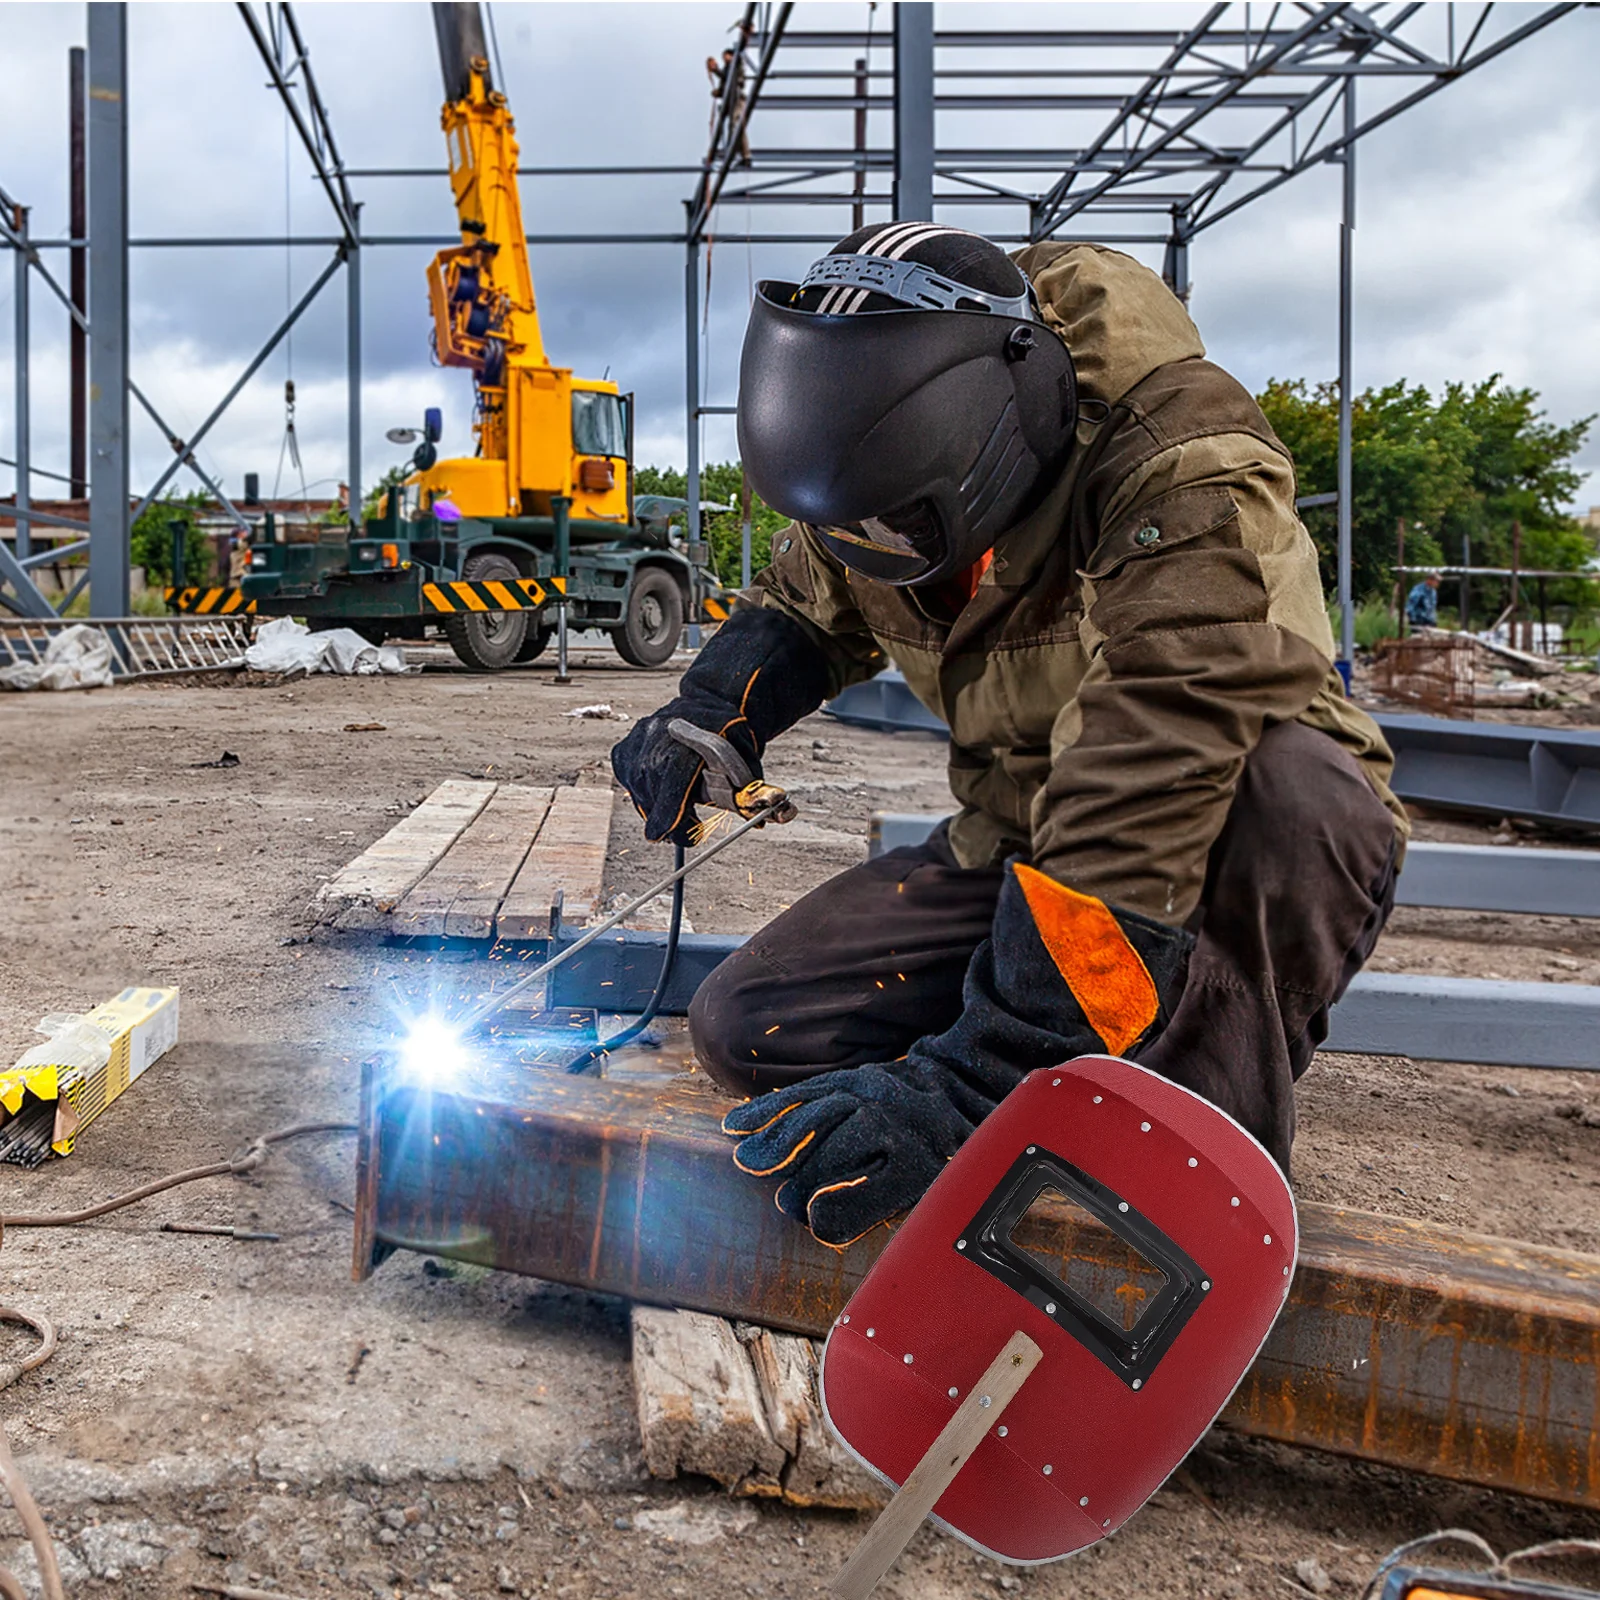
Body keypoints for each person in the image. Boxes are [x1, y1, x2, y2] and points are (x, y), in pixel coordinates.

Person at [612, 224, 1409, 1248]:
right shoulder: (885, 451)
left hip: (1221, 832)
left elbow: (1162, 740)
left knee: (1286, 797)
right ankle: (1043, 1066)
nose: (885, 549)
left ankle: (1185, 1171)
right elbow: (809, 601)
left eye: (904, 526)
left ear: (1006, 424)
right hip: (1024, 830)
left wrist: (978, 1079)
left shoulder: (1176, 450)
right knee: (749, 1027)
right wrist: (711, 709)